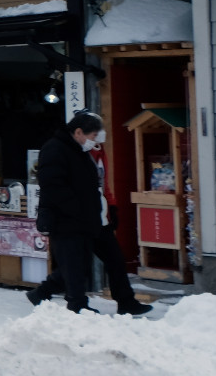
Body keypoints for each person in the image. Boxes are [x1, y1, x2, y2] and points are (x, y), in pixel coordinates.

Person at [28, 112, 152, 316]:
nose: (95, 141)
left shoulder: (81, 150)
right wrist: (78, 210)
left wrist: (110, 207)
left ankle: (125, 300)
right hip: (67, 220)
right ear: (78, 132)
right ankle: (75, 304)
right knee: (76, 264)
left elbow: (98, 183)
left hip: (93, 217)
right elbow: (53, 187)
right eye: (93, 136)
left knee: (112, 259)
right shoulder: (55, 149)